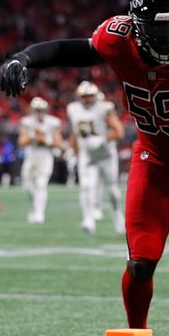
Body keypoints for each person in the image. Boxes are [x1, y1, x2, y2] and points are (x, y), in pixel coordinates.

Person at [0, 0, 169, 329]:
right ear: (136, 24)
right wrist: (23, 58)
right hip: (154, 163)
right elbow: (68, 50)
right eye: (157, 30)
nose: (167, 39)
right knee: (141, 262)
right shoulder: (117, 38)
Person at [66, 81, 125, 234]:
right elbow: (75, 132)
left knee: (112, 189)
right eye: (85, 96)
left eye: (90, 96)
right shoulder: (73, 109)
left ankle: (118, 217)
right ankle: (88, 220)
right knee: (86, 186)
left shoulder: (104, 108)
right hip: (87, 154)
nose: (88, 99)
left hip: (106, 154)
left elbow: (119, 131)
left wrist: (103, 139)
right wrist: (72, 150)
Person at [18, 96, 63, 224]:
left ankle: (39, 214)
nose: (38, 112)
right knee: (27, 187)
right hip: (31, 155)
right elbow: (21, 142)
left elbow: (58, 143)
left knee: (41, 185)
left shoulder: (53, 122)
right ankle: (34, 209)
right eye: (36, 109)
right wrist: (33, 135)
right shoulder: (26, 122)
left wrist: (45, 139)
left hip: (45, 156)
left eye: (41, 109)